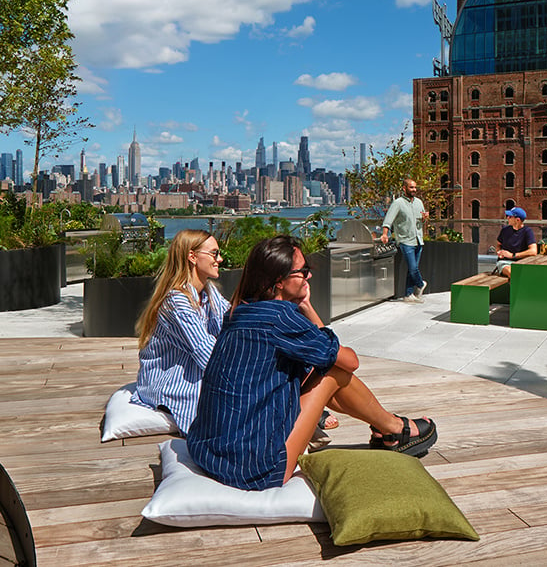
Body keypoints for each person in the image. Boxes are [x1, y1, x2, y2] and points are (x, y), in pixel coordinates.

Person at [187, 235, 437, 490]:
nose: (309, 277)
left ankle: (386, 430)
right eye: (303, 272)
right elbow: (350, 361)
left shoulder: (239, 311)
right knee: (332, 372)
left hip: (210, 452)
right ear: (279, 282)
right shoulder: (280, 317)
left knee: (319, 367)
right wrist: (307, 306)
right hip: (254, 468)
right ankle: (395, 428)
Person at [131, 230, 231, 435]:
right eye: (214, 253)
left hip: (194, 368)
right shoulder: (176, 302)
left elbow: (233, 321)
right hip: (168, 379)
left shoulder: (210, 292)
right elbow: (208, 357)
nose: (219, 259)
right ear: (192, 257)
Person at [380, 178, 428, 302]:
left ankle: (408, 295)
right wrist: (385, 234)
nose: (414, 190)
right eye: (411, 187)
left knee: (412, 269)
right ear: (404, 188)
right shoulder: (398, 203)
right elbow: (388, 220)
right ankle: (421, 284)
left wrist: (424, 218)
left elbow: (421, 222)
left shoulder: (419, 202)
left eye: (415, 187)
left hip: (418, 240)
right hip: (406, 241)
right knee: (413, 268)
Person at [494, 207, 538, 276]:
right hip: (505, 262)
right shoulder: (504, 230)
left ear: (517, 220)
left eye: (510, 216)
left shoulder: (527, 231)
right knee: (512, 272)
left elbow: (533, 251)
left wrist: (512, 255)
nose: (507, 218)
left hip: (521, 262)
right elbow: (498, 245)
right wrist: (499, 252)